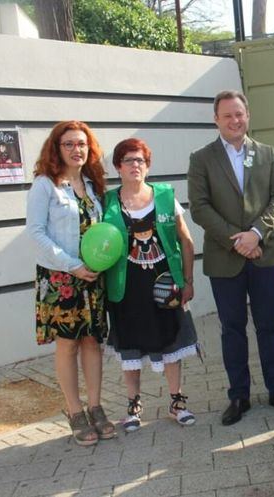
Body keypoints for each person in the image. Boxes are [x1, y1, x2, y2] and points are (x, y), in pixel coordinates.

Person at [187, 90, 274, 426]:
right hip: (225, 259)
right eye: (227, 115)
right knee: (232, 329)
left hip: (265, 254)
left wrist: (256, 234)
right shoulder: (202, 158)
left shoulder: (266, 154)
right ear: (216, 119)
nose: (235, 120)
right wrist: (235, 240)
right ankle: (239, 395)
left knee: (269, 325)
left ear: (247, 115)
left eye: (239, 114)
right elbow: (199, 206)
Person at [25, 121, 115, 446]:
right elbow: (35, 233)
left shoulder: (92, 185)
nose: (77, 149)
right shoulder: (45, 185)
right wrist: (72, 265)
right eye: (69, 144)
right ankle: (75, 411)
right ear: (56, 148)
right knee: (68, 344)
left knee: (92, 340)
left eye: (82, 143)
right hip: (62, 278)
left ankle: (96, 406)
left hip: (92, 277)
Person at [103, 138, 198, 432]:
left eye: (140, 160)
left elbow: (186, 240)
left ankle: (177, 403)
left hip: (165, 284)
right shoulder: (108, 202)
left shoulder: (166, 196)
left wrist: (188, 281)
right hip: (125, 287)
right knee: (130, 347)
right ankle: (133, 407)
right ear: (118, 166)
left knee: (171, 341)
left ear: (148, 165)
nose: (135, 165)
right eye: (129, 160)